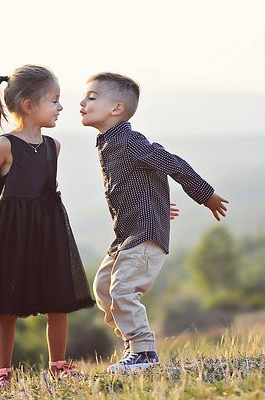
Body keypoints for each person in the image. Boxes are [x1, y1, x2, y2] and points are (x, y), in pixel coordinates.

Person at [79, 72, 229, 372]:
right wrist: (156, 204)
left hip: (145, 235)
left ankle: (144, 351)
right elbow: (138, 182)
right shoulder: (108, 142)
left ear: (116, 108)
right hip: (126, 235)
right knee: (105, 290)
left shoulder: (130, 141)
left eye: (91, 98)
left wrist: (206, 195)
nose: (82, 103)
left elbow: (171, 163)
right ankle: (134, 346)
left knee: (123, 291)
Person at [0, 65, 95, 387]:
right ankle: (3, 372)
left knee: (57, 300)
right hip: (11, 234)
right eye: (55, 100)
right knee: (7, 307)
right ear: (29, 105)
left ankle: (58, 365)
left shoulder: (53, 147)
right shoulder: (5, 146)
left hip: (48, 233)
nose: (61, 107)